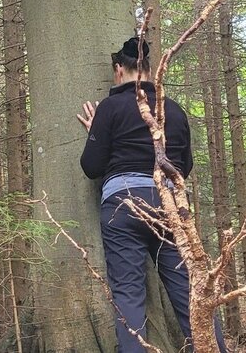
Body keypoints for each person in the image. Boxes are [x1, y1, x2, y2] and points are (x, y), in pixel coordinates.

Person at [77, 36, 228, 353]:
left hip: (123, 206)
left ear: (119, 69)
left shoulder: (110, 107)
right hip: (170, 205)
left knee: (128, 293)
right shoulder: (171, 110)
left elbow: (91, 166)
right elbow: (183, 166)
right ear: (149, 68)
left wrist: (97, 133)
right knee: (191, 292)